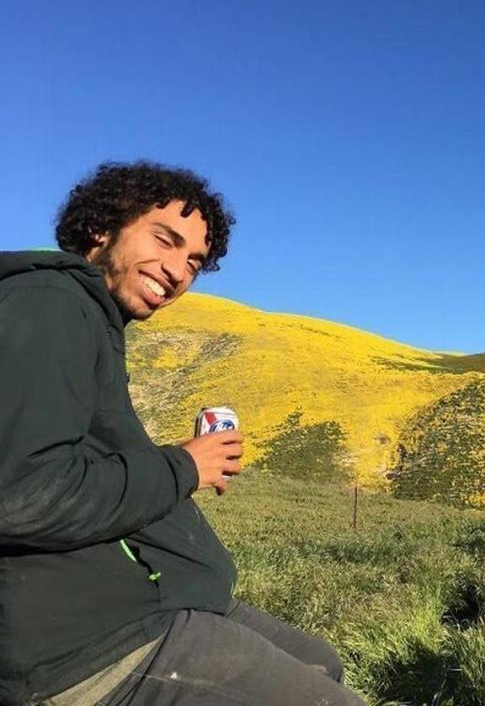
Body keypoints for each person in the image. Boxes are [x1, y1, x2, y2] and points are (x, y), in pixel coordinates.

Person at [0, 162, 365, 706]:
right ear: (102, 228)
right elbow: (25, 494)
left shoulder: (93, 322)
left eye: (194, 261)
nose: (177, 271)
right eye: (164, 240)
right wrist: (185, 465)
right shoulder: (52, 303)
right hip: (84, 647)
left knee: (322, 661)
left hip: (142, 603)